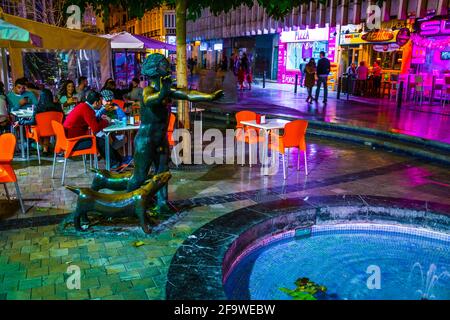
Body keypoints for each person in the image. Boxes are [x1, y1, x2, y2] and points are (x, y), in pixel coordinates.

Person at [63, 91, 124, 169]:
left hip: (70, 138)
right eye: (100, 101)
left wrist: (102, 120)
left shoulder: (83, 106)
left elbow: (93, 121)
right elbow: (95, 128)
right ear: (96, 102)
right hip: (73, 142)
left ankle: (118, 160)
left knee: (100, 140)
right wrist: (106, 121)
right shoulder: (86, 109)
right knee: (100, 141)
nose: (101, 104)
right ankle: (115, 162)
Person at [17, 89, 64, 155]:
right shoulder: (58, 106)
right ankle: (46, 148)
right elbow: (63, 118)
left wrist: (22, 122)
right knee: (47, 126)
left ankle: (43, 147)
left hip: (41, 131)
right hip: (55, 130)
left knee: (40, 127)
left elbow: (33, 122)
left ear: (41, 97)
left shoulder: (38, 108)